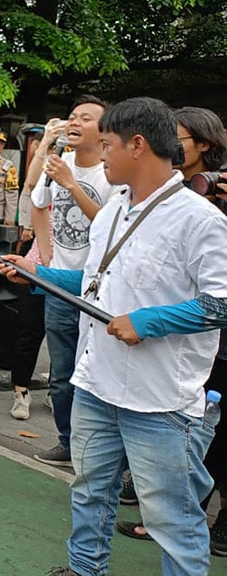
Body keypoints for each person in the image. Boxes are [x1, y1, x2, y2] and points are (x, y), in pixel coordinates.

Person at [0, 97, 227, 576]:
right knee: (88, 492)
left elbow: (221, 302)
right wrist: (37, 274)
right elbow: (95, 286)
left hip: (160, 401)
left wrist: (148, 322)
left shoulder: (201, 219)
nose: (101, 155)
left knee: (173, 518)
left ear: (137, 145)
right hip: (96, 383)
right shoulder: (112, 209)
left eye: (107, 144)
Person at [117, 107, 227, 548]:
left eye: (178, 136)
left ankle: (200, 518)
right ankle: (172, 508)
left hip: (210, 324)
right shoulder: (159, 193)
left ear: (203, 143)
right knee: (192, 428)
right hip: (187, 335)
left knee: (210, 427)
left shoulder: (212, 200)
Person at [28, 95, 121, 468]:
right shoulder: (59, 162)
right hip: (60, 285)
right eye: (72, 116)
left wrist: (71, 184)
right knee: (62, 374)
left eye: (86, 118)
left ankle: (101, 455)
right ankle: (68, 443)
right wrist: (46, 253)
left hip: (100, 288)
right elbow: (37, 203)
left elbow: (113, 229)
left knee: (97, 373)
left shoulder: (111, 175)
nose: (75, 122)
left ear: (103, 132)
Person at [9, 127, 49, 420]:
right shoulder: (47, 188)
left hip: (74, 275)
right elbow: (32, 184)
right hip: (37, 268)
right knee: (29, 331)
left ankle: (57, 393)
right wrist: (47, 141)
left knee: (68, 341)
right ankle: (20, 391)